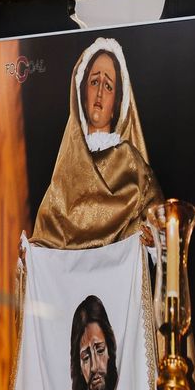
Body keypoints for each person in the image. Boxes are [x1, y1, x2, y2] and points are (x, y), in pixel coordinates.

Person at [28, 37, 164, 251]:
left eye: (108, 85)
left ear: (117, 102)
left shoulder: (132, 164)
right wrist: (30, 256)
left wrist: (153, 241)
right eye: (94, 82)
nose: (100, 92)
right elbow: (46, 241)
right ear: (82, 93)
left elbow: (162, 232)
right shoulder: (65, 171)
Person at [59, 295, 117, 390]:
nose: (94, 367)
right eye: (86, 358)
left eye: (100, 350)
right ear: (79, 366)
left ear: (109, 353)